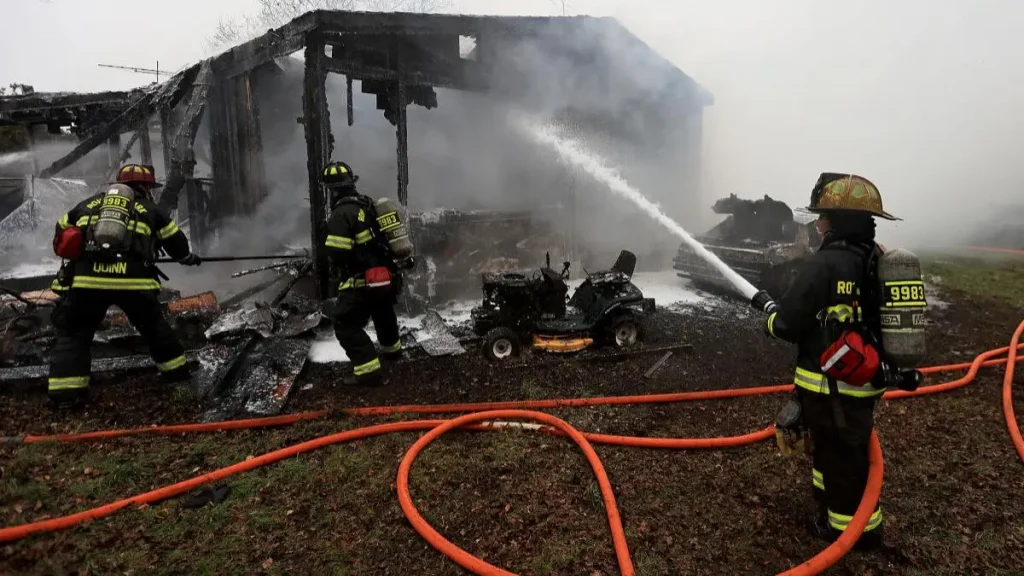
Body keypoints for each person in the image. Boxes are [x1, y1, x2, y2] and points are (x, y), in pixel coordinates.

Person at [749, 173, 904, 549]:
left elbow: (789, 323)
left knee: (842, 458)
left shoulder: (825, 264)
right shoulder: (878, 257)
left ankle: (853, 533)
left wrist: (770, 319)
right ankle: (829, 504)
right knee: (841, 448)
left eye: (823, 217)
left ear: (837, 221)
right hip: (866, 380)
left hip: (830, 384)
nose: (818, 224)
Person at [47, 164, 201, 409]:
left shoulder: (86, 205)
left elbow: (62, 231)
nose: (151, 192)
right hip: (134, 283)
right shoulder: (151, 210)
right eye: (149, 187)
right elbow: (176, 242)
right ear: (143, 187)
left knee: (75, 334)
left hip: (88, 282)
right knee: (154, 329)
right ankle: (177, 377)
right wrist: (187, 258)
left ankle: (66, 396)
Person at [321, 161, 408, 386]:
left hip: (362, 280)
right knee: (383, 313)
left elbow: (338, 254)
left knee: (345, 324)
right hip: (386, 276)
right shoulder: (367, 205)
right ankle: (392, 352)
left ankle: (367, 369)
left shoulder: (341, 214)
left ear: (333, 190)